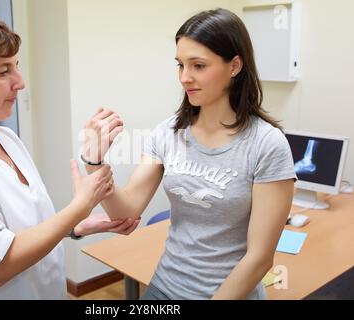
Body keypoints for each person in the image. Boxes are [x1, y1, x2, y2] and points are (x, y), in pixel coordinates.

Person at [0, 12, 138, 300]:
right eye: (3, 71)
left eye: (16, 67)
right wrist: (80, 206)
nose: (20, 82)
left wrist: (76, 226)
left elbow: (15, 233)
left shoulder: (6, 138)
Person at [82, 8, 296, 300]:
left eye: (198, 65)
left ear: (234, 66)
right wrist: (95, 162)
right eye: (180, 65)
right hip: (165, 287)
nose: (184, 77)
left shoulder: (266, 144)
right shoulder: (168, 133)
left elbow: (259, 258)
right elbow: (126, 211)